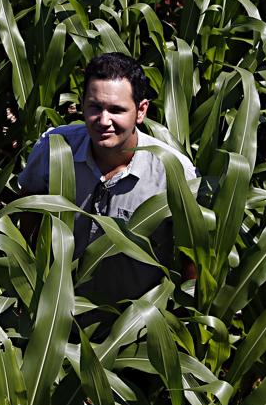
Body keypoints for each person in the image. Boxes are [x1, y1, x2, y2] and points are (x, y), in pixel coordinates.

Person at [18, 52, 197, 304]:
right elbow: (27, 218)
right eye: (95, 107)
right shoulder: (55, 148)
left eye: (116, 110)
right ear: (82, 104)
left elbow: (193, 255)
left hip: (134, 326)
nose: (104, 121)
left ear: (141, 110)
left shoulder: (173, 172)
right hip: (56, 311)